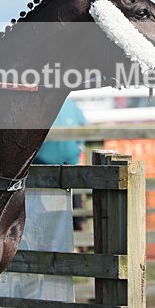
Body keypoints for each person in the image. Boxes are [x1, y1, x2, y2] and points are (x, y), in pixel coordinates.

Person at [33, 99, 89, 234]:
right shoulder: (71, 104)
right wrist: (79, 146)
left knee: (42, 206)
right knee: (75, 192)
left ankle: (48, 233)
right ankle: (81, 230)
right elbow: (86, 127)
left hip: (41, 161)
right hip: (70, 159)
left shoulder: (40, 103)